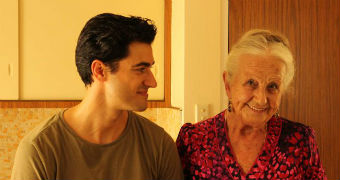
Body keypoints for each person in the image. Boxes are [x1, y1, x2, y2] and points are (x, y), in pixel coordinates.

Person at [11, 13, 183, 180]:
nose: (153, 82)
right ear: (100, 71)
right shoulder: (39, 150)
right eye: (140, 69)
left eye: (149, 69)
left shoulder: (158, 145)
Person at [176, 29, 326, 179]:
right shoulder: (194, 141)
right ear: (228, 84)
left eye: (272, 86)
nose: (261, 99)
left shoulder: (300, 141)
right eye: (251, 83)